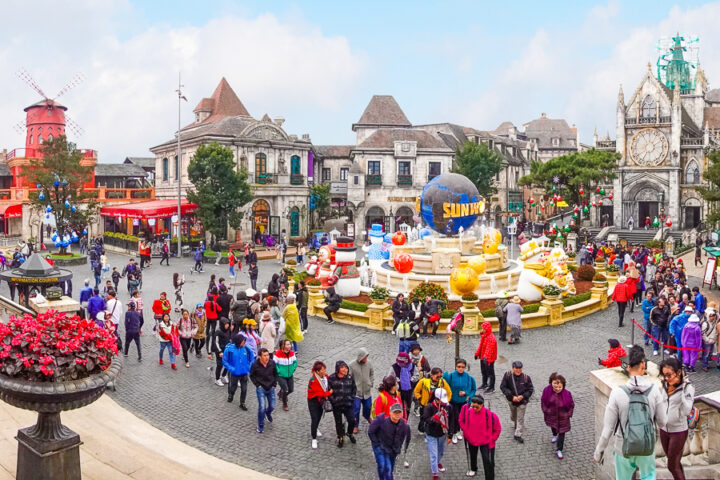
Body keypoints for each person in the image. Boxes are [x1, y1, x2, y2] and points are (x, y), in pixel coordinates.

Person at [594, 346, 667, 480]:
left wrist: (599, 451)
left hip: (623, 446)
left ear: (628, 367)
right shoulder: (655, 391)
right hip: (646, 446)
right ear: (643, 365)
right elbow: (662, 422)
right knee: (648, 476)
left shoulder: (617, 393)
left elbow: (608, 429)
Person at [659, 357, 695, 480]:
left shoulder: (687, 388)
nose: (666, 378)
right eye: (664, 375)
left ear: (678, 372)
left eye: (669, 375)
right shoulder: (664, 383)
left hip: (678, 431)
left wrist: (680, 392)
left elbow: (686, 411)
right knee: (674, 463)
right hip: (664, 429)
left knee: (672, 465)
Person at [459, 395, 501, 479]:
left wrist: (492, 439)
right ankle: (473, 468)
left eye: (476, 407)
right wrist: (466, 431)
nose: (474, 408)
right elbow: (461, 420)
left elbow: (497, 429)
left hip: (486, 442)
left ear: (482, 405)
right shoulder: (467, 411)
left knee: (488, 461)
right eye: (473, 406)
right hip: (471, 440)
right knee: (472, 455)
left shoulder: (490, 415)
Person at [368, 402, 411, 480]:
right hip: (381, 447)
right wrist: (376, 444)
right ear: (390, 412)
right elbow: (371, 431)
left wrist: (400, 448)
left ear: (402, 414)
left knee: (389, 467)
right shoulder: (381, 419)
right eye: (395, 412)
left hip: (393, 450)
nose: (397, 414)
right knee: (385, 467)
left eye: (399, 412)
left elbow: (406, 438)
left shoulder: (404, 425)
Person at [540, 373, 574, 460]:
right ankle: (555, 434)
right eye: (555, 386)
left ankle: (559, 449)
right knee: (553, 426)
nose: (557, 389)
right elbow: (543, 402)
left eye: (560, 387)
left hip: (563, 418)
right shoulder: (547, 391)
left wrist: (568, 414)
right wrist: (546, 411)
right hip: (551, 415)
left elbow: (571, 405)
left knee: (562, 434)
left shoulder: (567, 394)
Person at [443, 358, 477, 444]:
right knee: (454, 418)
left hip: (464, 402)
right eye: (459, 366)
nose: (461, 368)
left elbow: (473, 389)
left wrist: (466, 393)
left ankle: (458, 431)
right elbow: (444, 386)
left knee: (462, 418)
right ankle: (453, 433)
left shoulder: (469, 377)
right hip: (453, 401)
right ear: (456, 367)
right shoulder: (450, 376)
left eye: (463, 367)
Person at [499, 361, 534, 443]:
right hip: (512, 401)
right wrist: (511, 396)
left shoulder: (526, 378)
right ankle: (515, 422)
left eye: (520, 368)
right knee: (514, 416)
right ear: (513, 368)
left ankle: (518, 434)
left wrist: (523, 396)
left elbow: (530, 390)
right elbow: (503, 387)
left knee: (520, 418)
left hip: (522, 402)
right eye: (516, 368)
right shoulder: (507, 376)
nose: (518, 370)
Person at [422, 388, 451, 480]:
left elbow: (452, 420)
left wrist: (450, 434)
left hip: (442, 433)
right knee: (433, 454)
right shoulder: (429, 407)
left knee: (441, 451)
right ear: (437, 399)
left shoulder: (448, 406)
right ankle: (435, 473)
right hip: (431, 434)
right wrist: (434, 418)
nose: (444, 403)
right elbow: (425, 419)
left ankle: (437, 462)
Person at [328, 360, 357, 447]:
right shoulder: (331, 378)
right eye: (342, 368)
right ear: (338, 369)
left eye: (346, 367)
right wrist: (334, 401)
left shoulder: (350, 377)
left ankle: (349, 433)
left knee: (352, 420)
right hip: (337, 405)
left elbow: (354, 389)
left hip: (348, 404)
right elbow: (329, 392)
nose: (345, 370)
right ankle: (340, 437)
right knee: (339, 423)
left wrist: (351, 399)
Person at [223, 333, 255, 410]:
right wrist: (231, 369)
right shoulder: (229, 350)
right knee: (233, 387)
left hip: (244, 373)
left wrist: (249, 367)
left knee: (244, 389)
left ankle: (242, 403)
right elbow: (225, 361)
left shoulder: (247, 349)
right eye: (243, 341)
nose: (244, 342)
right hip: (234, 373)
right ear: (238, 341)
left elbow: (252, 358)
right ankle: (231, 394)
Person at [249, 348, 278, 434]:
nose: (267, 357)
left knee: (272, 406)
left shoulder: (272, 363)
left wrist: (274, 384)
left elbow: (275, 373)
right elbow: (252, 376)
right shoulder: (255, 365)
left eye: (268, 355)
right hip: (261, 388)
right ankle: (261, 425)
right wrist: (258, 385)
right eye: (264, 355)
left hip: (271, 387)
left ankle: (268, 413)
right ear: (260, 356)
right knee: (261, 407)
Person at [307, 361, 333, 450]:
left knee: (318, 417)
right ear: (318, 371)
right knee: (314, 418)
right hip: (313, 401)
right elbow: (321, 393)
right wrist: (329, 393)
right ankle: (314, 438)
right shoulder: (313, 380)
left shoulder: (325, 377)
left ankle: (316, 428)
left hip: (321, 401)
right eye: (322, 370)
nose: (324, 371)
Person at [349, 347, 374, 433]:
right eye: (364, 357)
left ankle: (367, 416)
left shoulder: (369, 363)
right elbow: (349, 378)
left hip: (367, 391)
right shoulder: (352, 365)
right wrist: (352, 388)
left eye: (366, 357)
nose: (366, 359)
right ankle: (355, 425)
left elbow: (372, 373)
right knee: (356, 409)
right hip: (357, 393)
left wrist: (371, 383)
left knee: (368, 407)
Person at [474, 321, 498, 393]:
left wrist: (486, 358)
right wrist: (477, 354)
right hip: (483, 357)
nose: (482, 330)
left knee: (491, 373)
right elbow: (481, 346)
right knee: (484, 371)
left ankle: (491, 387)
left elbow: (489, 349)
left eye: (484, 329)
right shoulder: (484, 336)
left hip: (489, 359)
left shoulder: (491, 338)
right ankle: (484, 384)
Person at [274, 339, 297, 411]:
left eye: (289, 344)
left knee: (291, 389)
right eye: (287, 344)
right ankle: (285, 403)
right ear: (283, 345)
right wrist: (278, 371)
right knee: (286, 390)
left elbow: (295, 362)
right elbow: (274, 364)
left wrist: (293, 369)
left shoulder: (292, 353)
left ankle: (281, 393)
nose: (289, 346)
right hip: (281, 375)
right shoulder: (277, 354)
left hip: (290, 374)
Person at [210, 318, 231, 386]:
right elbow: (215, 342)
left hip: (227, 350)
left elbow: (229, 339)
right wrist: (219, 351)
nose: (227, 325)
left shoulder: (228, 331)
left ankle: (224, 375)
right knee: (220, 365)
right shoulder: (218, 332)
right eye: (226, 324)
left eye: (228, 324)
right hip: (220, 351)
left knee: (228, 363)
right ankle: (217, 379)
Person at [701, 307, 719, 371]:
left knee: (709, 354)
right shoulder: (705, 323)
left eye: (713, 316)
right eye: (711, 316)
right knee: (706, 354)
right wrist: (708, 340)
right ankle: (704, 365)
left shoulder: (714, 323)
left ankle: (706, 364)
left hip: (712, 341)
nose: (712, 317)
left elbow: (718, 317)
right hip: (707, 342)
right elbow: (703, 334)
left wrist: (716, 312)